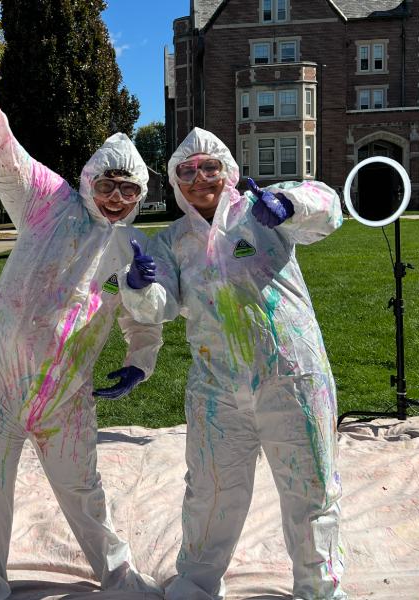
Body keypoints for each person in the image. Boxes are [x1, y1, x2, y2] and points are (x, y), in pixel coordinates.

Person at [0, 53, 164, 599]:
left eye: (129, 191)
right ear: (91, 179)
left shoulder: (132, 248)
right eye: (109, 185)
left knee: (83, 491)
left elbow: (145, 320)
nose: (116, 199)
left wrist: (138, 363)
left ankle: (119, 579)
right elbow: (3, 156)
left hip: (66, 396)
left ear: (141, 195)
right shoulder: (47, 203)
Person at [118, 127, 346, 599]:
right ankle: (197, 581)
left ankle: (319, 587)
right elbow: (160, 305)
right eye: (187, 171)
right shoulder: (172, 241)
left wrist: (292, 207)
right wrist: (139, 287)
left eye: (210, 168)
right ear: (175, 181)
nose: (200, 178)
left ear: (228, 171)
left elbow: (326, 208)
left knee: (311, 487)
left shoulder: (260, 211)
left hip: (292, 376)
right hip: (217, 387)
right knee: (210, 491)